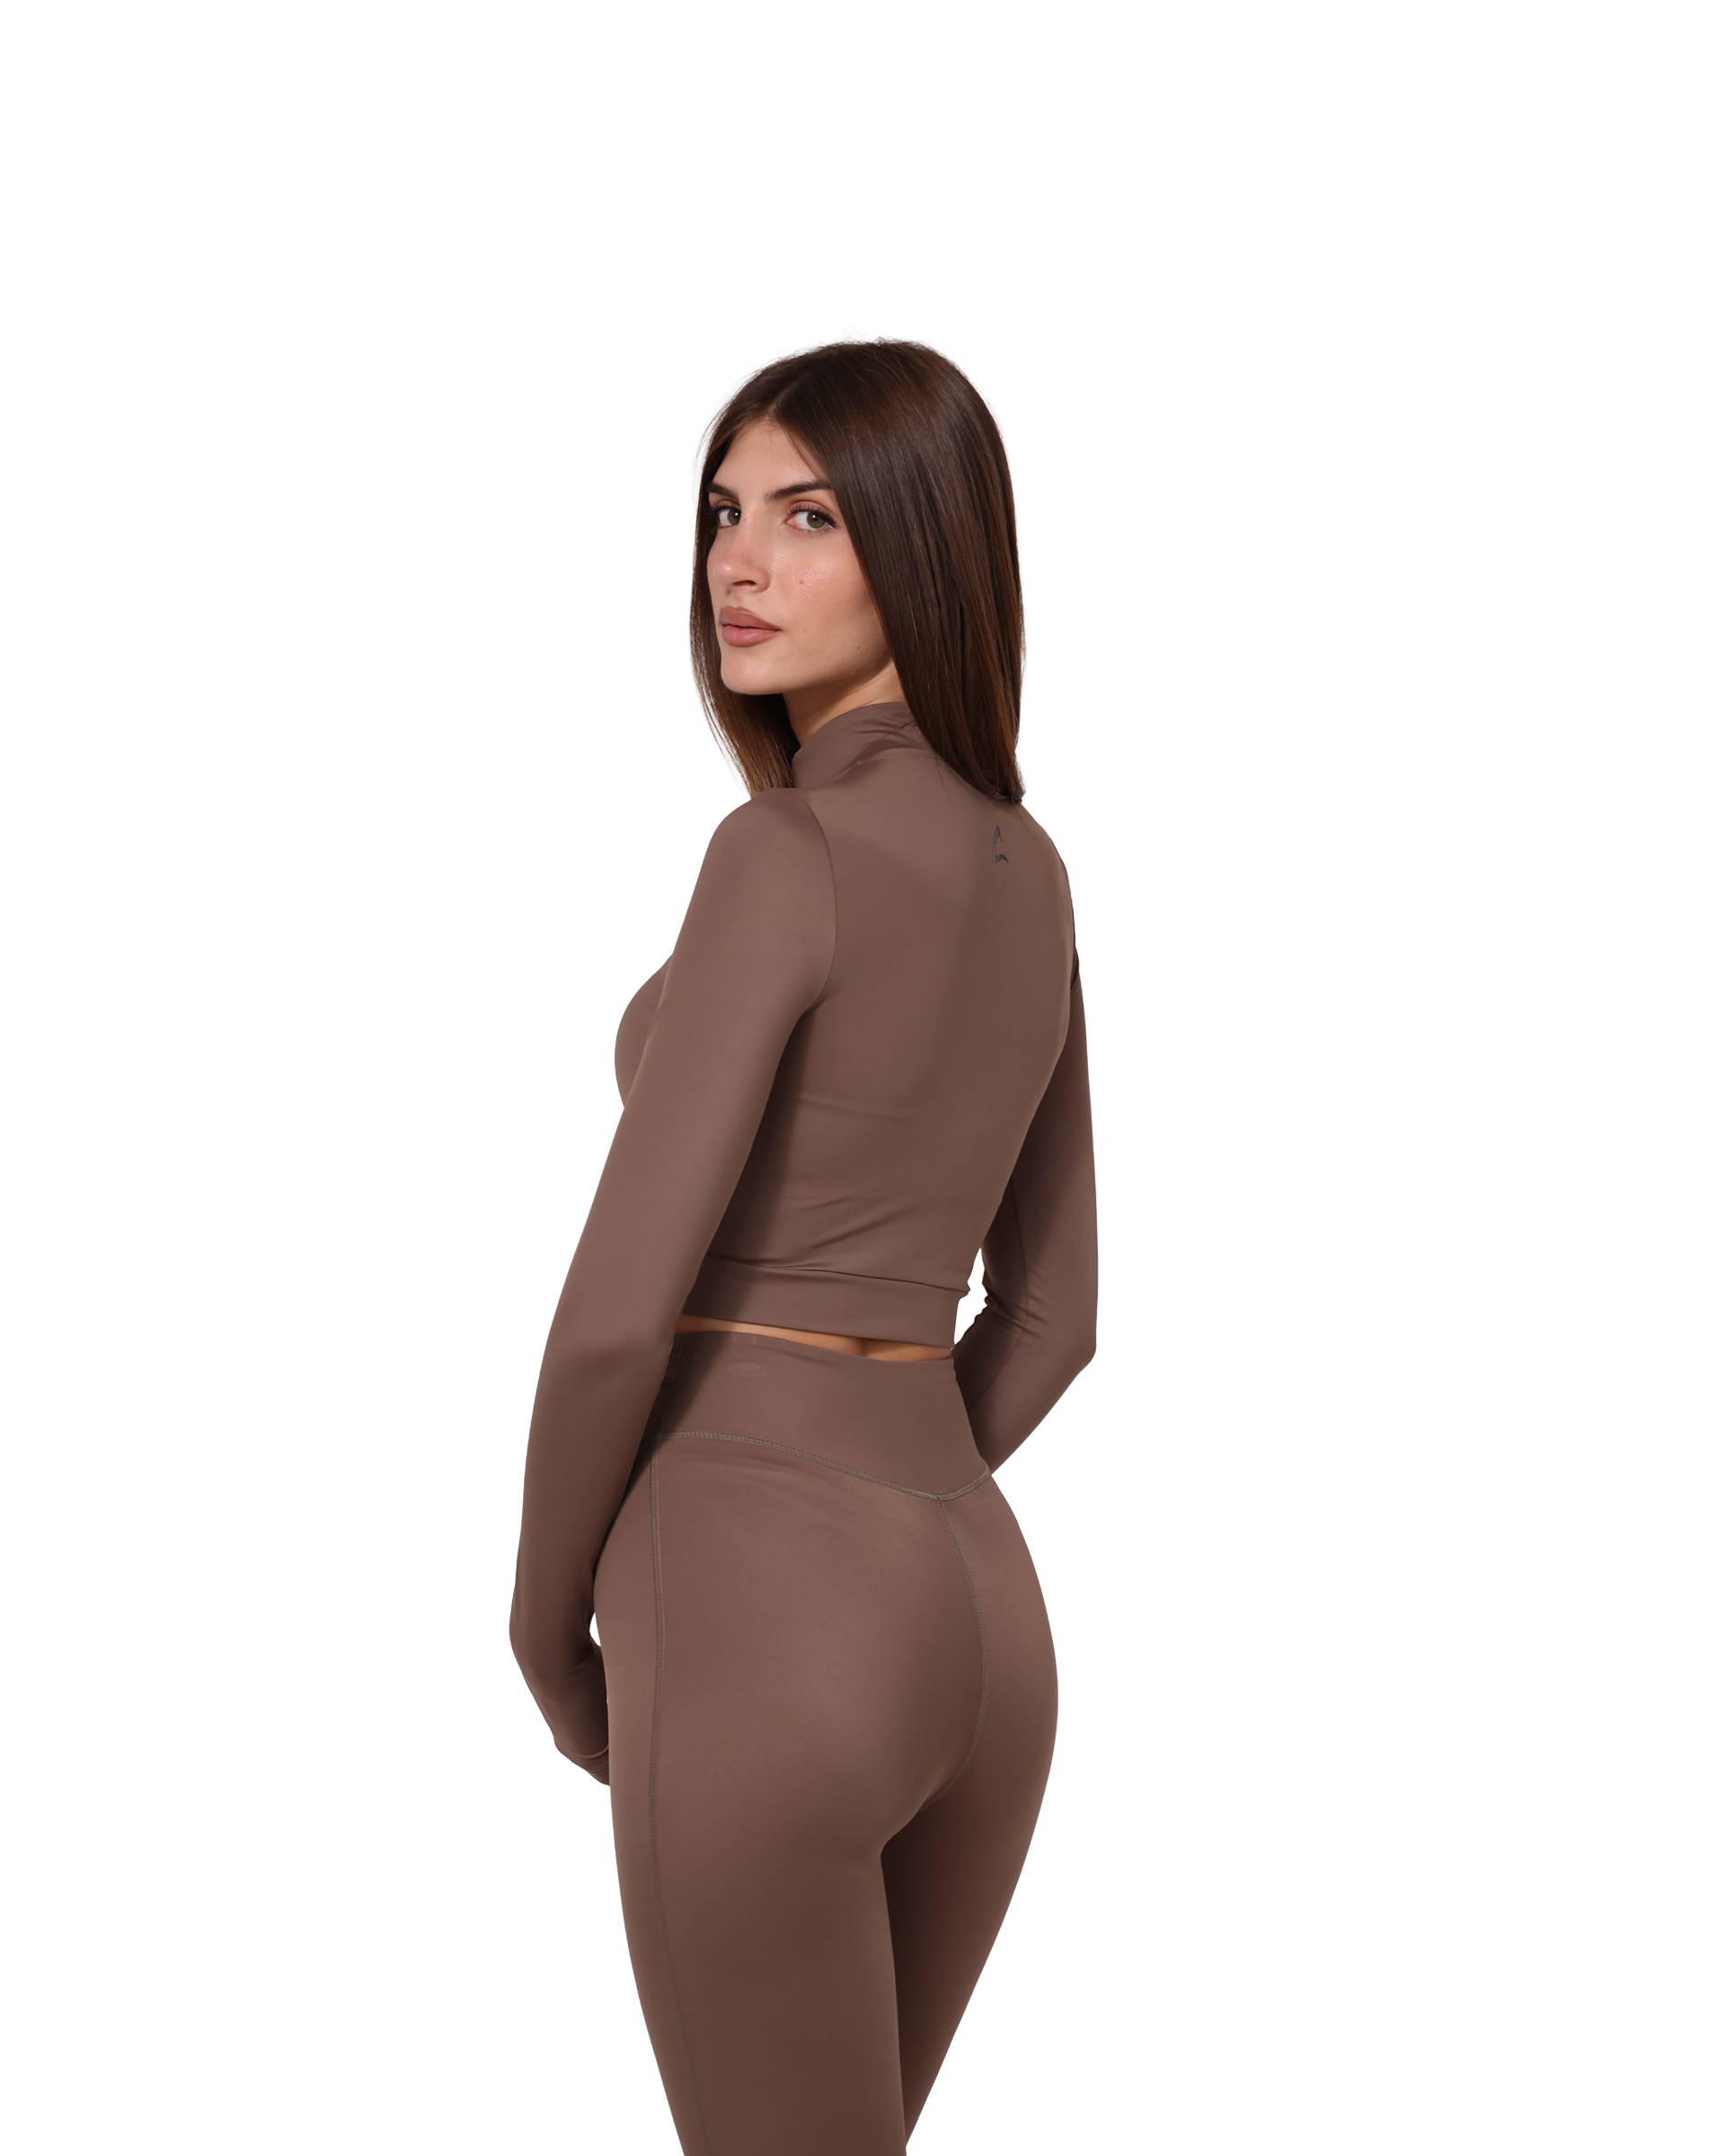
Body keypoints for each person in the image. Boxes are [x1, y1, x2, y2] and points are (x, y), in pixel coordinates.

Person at [510, 335, 1098, 2156]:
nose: (738, 564)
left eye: (810, 516)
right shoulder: (1031, 871)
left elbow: (615, 1325)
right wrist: (889, 1494)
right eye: (722, 513)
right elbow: (1063, 1305)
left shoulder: (781, 854)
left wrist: (546, 1634)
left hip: (758, 1592)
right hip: (981, 1614)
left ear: (925, 541)